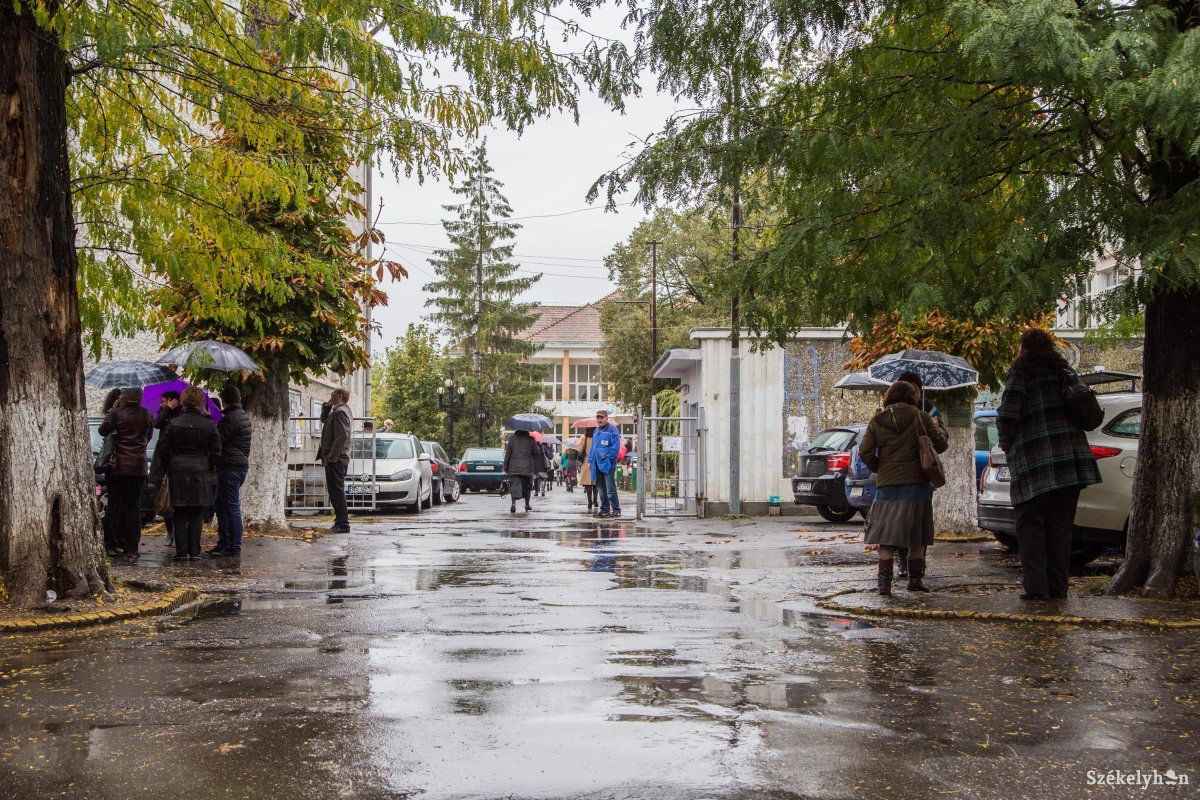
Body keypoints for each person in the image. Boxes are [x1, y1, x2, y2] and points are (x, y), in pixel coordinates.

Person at [997, 329, 1101, 600]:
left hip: (1035, 460)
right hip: (1070, 461)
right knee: (1060, 527)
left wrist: (1008, 446)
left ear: (1024, 348)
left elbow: (1007, 415)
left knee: (1030, 525)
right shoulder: (1065, 372)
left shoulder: (1023, 373)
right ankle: (1058, 588)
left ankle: (1036, 589)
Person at [859, 380, 948, 595]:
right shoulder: (921, 416)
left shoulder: (877, 420)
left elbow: (865, 450)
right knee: (916, 534)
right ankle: (915, 581)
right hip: (916, 483)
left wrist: (879, 466)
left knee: (887, 535)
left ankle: (884, 585)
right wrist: (934, 427)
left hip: (887, 484)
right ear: (912, 397)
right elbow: (942, 444)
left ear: (889, 397)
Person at [892, 371, 947, 578]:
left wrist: (934, 428)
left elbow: (942, 440)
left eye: (915, 389)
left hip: (921, 473)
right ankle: (903, 563)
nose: (912, 393)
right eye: (907, 388)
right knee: (899, 522)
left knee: (920, 522)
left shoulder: (928, 409)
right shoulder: (890, 412)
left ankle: (918, 562)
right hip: (897, 475)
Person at [157, 387, 222, 561]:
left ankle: (181, 550)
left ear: (183, 402)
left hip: (177, 469)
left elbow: (163, 448)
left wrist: (169, 465)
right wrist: (208, 464)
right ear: (200, 402)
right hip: (200, 469)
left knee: (179, 510)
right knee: (196, 511)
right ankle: (194, 551)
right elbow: (216, 450)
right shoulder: (208, 424)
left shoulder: (174, 422)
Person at [98, 387, 154, 563]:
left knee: (114, 506)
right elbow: (149, 436)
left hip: (117, 466)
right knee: (134, 508)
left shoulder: (115, 413)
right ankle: (132, 548)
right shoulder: (147, 414)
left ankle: (111, 545)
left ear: (124, 397)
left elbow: (103, 431)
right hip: (138, 466)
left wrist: (110, 412)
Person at [210, 385, 252, 557]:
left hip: (230, 466)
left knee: (231, 506)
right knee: (220, 504)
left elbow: (218, 440)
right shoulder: (241, 415)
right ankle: (225, 542)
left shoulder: (230, 418)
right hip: (236, 465)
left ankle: (233, 545)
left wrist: (212, 422)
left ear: (224, 399)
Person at [149, 390, 182, 548]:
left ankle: (178, 532)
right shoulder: (164, 413)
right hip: (162, 462)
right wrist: (166, 409)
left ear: (173, 401)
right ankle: (170, 531)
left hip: (176, 460)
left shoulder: (180, 415)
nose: (161, 404)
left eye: (164, 401)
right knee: (165, 499)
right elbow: (156, 424)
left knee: (177, 499)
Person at [317, 388, 353, 532]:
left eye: (332, 394)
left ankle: (343, 524)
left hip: (337, 459)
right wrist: (327, 405)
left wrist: (332, 456)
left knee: (336, 491)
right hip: (337, 458)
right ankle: (340, 521)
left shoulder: (340, 412)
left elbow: (341, 437)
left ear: (339, 395)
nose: (330, 396)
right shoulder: (339, 410)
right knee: (335, 491)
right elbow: (323, 419)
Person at [588, 409, 622, 518]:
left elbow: (615, 446)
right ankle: (605, 510)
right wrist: (590, 460)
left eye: (601, 417)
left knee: (610, 488)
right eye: (598, 417)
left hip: (607, 463)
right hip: (596, 463)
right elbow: (593, 447)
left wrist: (609, 459)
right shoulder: (596, 431)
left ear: (607, 418)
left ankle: (616, 509)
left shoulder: (612, 430)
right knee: (601, 488)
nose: (599, 420)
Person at [503, 430, 543, 513]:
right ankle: (527, 504)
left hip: (514, 468)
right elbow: (537, 452)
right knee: (527, 487)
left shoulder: (512, 439)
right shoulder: (531, 440)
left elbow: (507, 454)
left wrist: (505, 467)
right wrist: (537, 444)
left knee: (514, 486)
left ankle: (513, 504)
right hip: (527, 468)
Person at [578, 431, 596, 510]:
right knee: (595, 482)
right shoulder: (597, 437)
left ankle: (590, 502)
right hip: (596, 461)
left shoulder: (584, 439)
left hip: (586, 461)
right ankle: (595, 500)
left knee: (588, 483)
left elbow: (579, 451)